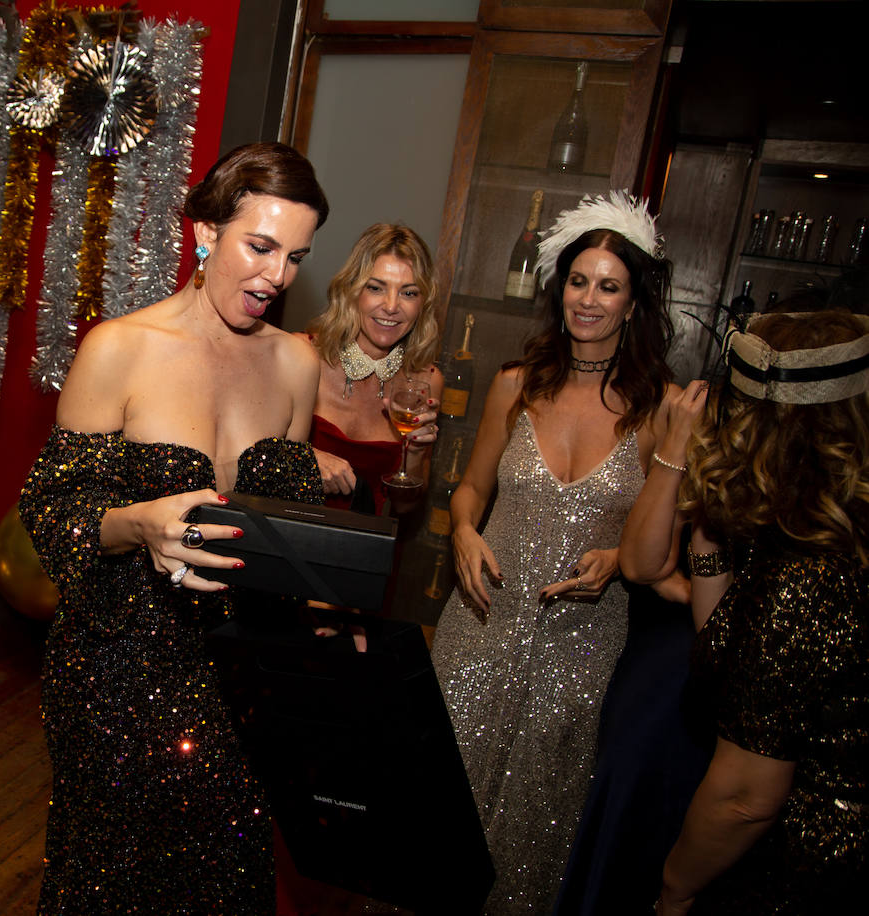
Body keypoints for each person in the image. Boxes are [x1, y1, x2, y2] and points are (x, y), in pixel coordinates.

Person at [19, 142, 328, 914]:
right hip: (118, 669)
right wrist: (139, 526)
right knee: (110, 883)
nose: (276, 277)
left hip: (241, 675)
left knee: (227, 880)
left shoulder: (295, 364)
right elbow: (53, 510)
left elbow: (290, 526)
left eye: (295, 257)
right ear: (202, 231)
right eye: (259, 247)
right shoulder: (121, 348)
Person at [430, 192, 680, 913]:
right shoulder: (515, 385)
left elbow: (669, 543)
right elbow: (471, 491)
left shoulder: (660, 410)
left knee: (535, 827)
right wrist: (465, 535)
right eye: (578, 281)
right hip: (478, 630)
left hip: (581, 651)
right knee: (443, 808)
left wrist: (619, 556)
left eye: (609, 286)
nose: (589, 299)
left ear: (633, 303)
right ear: (559, 288)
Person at [619, 309, 868, 915]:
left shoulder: (810, 573)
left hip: (801, 868)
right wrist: (711, 522)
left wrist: (674, 891)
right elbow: (723, 647)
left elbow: (746, 798)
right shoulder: (797, 530)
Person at [302, 223, 441, 516]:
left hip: (369, 551)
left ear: (423, 304)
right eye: (376, 288)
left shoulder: (425, 381)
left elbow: (406, 507)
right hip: (291, 542)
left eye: (409, 293)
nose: (391, 306)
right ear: (352, 290)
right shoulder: (302, 356)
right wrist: (302, 457)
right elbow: (246, 452)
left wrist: (413, 454)